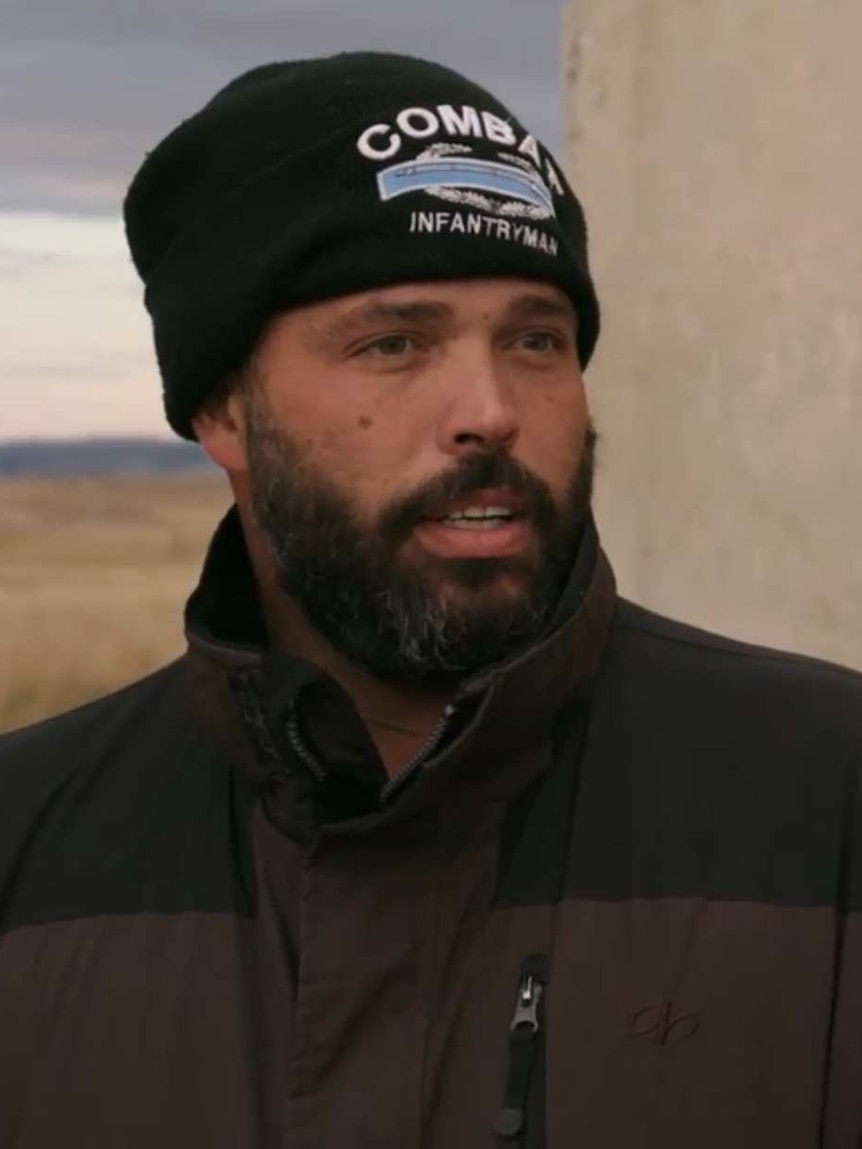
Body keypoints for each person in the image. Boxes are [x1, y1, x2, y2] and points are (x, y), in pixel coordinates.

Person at [0, 51, 860, 1149]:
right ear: (222, 413)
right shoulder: (28, 850)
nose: (491, 410)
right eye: (393, 344)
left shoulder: (829, 801)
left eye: (534, 340)